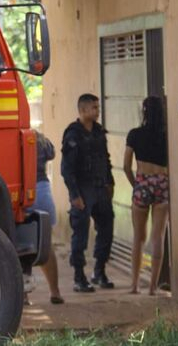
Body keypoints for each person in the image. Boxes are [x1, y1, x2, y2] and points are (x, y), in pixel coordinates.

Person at [61, 93, 115, 293]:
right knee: (80, 234)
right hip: (83, 189)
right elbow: (67, 169)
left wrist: (110, 182)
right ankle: (79, 276)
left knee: (107, 229)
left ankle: (99, 271)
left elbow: (105, 159)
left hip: (100, 188)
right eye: (94, 108)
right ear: (82, 110)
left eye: (98, 107)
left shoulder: (99, 132)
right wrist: (75, 195)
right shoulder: (73, 134)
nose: (97, 111)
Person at [123, 96, 169, 295]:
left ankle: (134, 285)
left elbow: (126, 166)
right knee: (158, 236)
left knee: (138, 237)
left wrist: (137, 185)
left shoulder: (134, 134)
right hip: (162, 182)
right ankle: (152, 287)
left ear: (144, 112)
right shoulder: (167, 135)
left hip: (142, 182)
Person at [25, 131, 64, 305]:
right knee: (46, 245)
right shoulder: (38, 138)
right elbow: (52, 153)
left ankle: (22, 296)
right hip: (42, 191)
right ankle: (55, 292)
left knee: (17, 248)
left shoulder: (10, 137)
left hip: (19, 191)